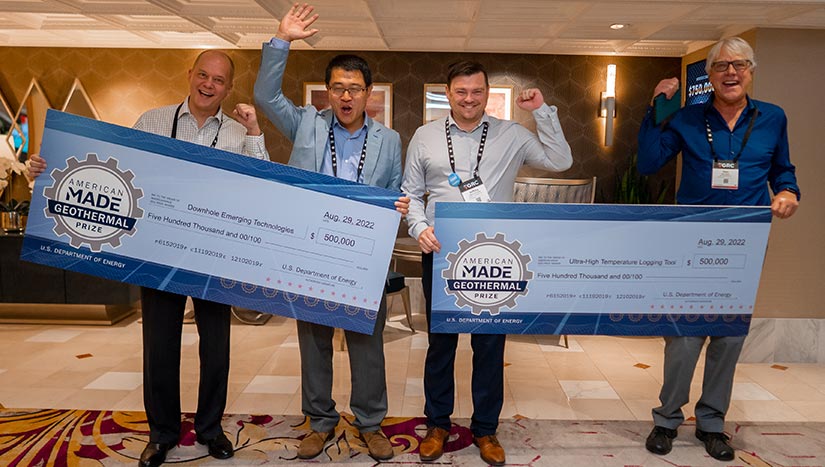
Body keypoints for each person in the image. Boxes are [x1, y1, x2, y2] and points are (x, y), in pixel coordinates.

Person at [28, 49, 269, 467]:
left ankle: (211, 429)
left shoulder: (236, 132)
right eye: (203, 75)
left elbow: (263, 182)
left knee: (216, 349)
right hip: (156, 252)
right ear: (190, 75)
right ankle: (162, 434)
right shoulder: (152, 121)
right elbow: (116, 172)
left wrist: (254, 132)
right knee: (159, 346)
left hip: (213, 253)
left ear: (229, 88)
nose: (208, 85)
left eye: (218, 80)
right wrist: (48, 170)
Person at [253, 3, 408, 461]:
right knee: (314, 342)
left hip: (363, 259)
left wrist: (396, 208)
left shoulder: (390, 140)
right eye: (337, 87)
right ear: (327, 91)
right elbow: (265, 96)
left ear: (369, 93)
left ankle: (371, 423)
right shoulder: (306, 123)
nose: (345, 96)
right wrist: (281, 39)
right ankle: (319, 422)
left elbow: (394, 192)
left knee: (367, 347)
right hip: (310, 254)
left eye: (354, 89)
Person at [402, 60, 573, 465]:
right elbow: (410, 194)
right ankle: (438, 423)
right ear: (448, 94)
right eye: (461, 91)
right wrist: (418, 228)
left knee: (490, 345)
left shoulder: (512, 134)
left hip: (493, 256)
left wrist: (542, 112)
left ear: (487, 94)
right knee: (440, 345)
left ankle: (485, 429)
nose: (469, 99)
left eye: (477, 91)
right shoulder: (425, 136)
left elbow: (560, 160)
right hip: (442, 254)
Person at [638, 37, 800, 462]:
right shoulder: (688, 119)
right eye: (722, 66)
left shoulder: (772, 118)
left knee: (728, 336)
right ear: (708, 75)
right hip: (689, 239)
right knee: (685, 336)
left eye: (740, 65)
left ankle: (712, 423)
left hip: (743, 243)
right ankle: (667, 418)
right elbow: (649, 161)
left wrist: (787, 192)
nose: (732, 72)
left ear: (751, 71)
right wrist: (656, 106)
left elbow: (784, 170)